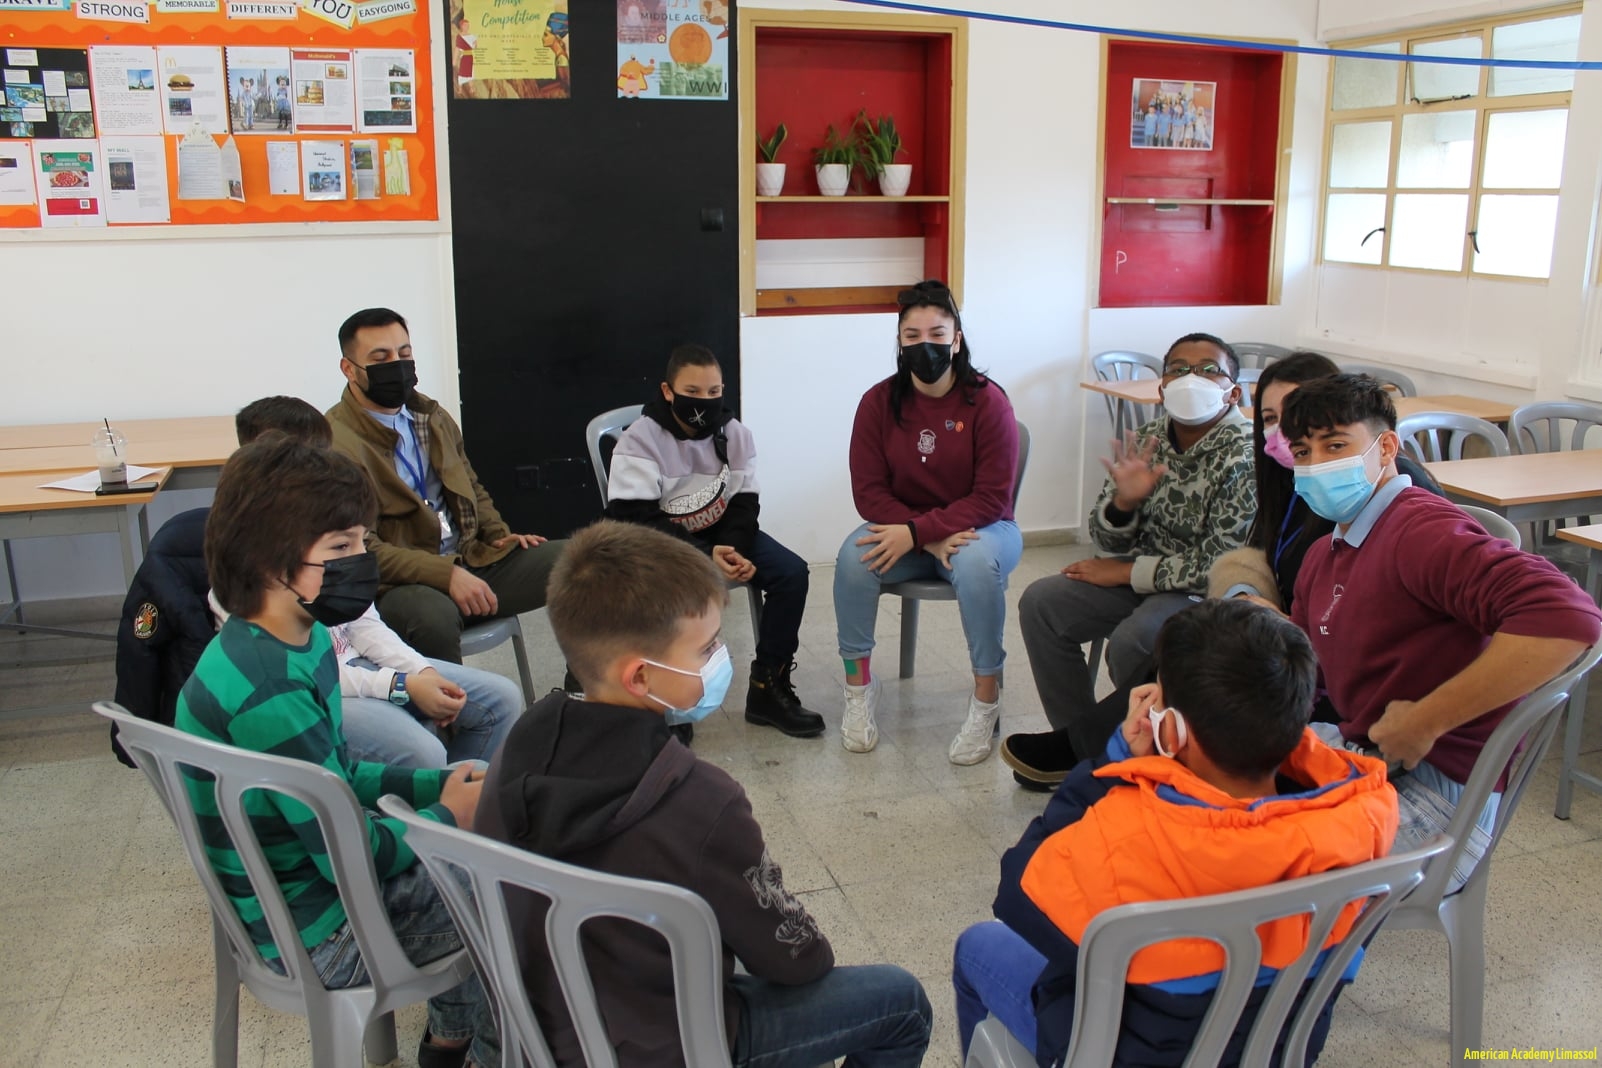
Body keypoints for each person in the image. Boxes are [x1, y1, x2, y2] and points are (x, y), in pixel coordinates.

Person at [475, 520, 933, 1068]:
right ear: (640, 677)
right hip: (671, 1048)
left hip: (538, 1033)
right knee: (902, 1001)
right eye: (707, 648)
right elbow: (795, 961)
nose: (721, 659)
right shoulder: (702, 801)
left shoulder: (515, 748)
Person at [953, 598, 1398, 1067]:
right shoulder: (1364, 818)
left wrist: (1116, 761)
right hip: (1276, 1052)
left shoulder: (1127, 839)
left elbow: (1020, 884)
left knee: (977, 946)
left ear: (1174, 730)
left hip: (1125, 1054)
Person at [174, 437, 498, 1068]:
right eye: (340, 548)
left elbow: (337, 775)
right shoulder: (269, 690)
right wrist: (445, 819)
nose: (362, 561)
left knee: (476, 798)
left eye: (360, 543)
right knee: (506, 885)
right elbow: (348, 854)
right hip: (317, 934)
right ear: (270, 561)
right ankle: (476, 1050)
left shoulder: (294, 638)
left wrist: (435, 788)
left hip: (309, 893)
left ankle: (451, 1039)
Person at [1280, 374, 1601, 888]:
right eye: (1303, 452)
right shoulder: (1325, 553)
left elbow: (1568, 617)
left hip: (1436, 798)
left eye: (1335, 446)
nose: (1317, 465)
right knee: (1192, 790)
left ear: (1387, 448)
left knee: (1237, 867)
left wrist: (1425, 721)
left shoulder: (1420, 532)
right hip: (1367, 758)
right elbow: (1298, 669)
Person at [1005, 333, 1254, 790]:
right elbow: (1103, 535)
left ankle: (1141, 754)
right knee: (1043, 603)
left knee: (1134, 641)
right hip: (1141, 579)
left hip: (1201, 595)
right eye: (1178, 369)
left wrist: (1126, 572)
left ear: (1233, 391)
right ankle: (1081, 751)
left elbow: (1221, 564)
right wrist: (1123, 504)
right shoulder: (1149, 438)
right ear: (1162, 386)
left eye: (1208, 370)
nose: (1191, 378)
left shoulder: (1245, 453)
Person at [234, 396, 522, 769]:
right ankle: (433, 797)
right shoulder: (259, 564)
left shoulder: (329, 522)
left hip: (362, 663)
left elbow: (365, 623)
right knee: (425, 749)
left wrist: (420, 671)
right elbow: (301, 673)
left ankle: (451, 796)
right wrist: (399, 686)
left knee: (501, 699)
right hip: (326, 689)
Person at [833, 280, 1022, 764]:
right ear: (899, 342)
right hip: (910, 530)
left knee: (975, 563)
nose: (925, 346)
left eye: (937, 334)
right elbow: (868, 493)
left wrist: (921, 533)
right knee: (854, 558)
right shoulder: (878, 402)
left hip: (985, 529)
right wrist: (925, 537)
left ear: (956, 339)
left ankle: (986, 701)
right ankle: (858, 689)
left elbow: (992, 498)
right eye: (912, 336)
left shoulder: (989, 402)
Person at [604, 343, 824, 738]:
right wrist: (701, 559)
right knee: (672, 591)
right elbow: (633, 518)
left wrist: (731, 547)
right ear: (668, 391)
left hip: (721, 534)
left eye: (713, 392)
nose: (703, 402)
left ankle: (767, 688)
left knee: (791, 573)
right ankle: (665, 703)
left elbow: (745, 502)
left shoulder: (736, 434)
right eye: (691, 392)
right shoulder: (639, 441)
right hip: (658, 543)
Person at [326, 308, 565, 664]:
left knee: (586, 560)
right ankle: (449, 702)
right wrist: (444, 574)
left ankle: (586, 688)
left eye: (404, 353)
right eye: (380, 358)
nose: (397, 365)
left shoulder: (432, 417)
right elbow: (362, 548)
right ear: (349, 369)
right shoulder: (334, 443)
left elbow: (471, 486)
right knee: (432, 618)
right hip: (401, 584)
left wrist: (498, 536)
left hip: (470, 558)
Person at [1207, 352, 1445, 613]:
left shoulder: (1398, 496)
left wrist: (1290, 626)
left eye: (1296, 410)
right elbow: (1264, 555)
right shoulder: (1293, 476)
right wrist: (1247, 595)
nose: (1287, 427)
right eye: (1271, 418)